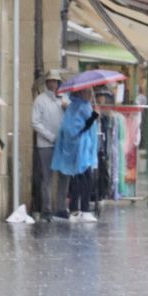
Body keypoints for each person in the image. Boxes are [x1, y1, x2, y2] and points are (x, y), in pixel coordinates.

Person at [51, 90, 99, 222]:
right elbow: (76, 129)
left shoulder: (77, 106)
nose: (88, 94)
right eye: (86, 92)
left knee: (79, 179)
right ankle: (83, 209)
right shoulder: (80, 107)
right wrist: (92, 118)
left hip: (82, 150)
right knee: (85, 180)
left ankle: (76, 209)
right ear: (80, 93)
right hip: (81, 151)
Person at [30, 70, 65, 221]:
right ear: (47, 83)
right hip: (46, 145)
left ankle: (61, 207)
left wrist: (66, 108)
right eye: (51, 81)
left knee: (64, 176)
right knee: (47, 178)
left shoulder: (63, 99)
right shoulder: (40, 100)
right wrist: (50, 136)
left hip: (62, 145)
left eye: (56, 81)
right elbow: (35, 122)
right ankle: (47, 209)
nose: (54, 84)